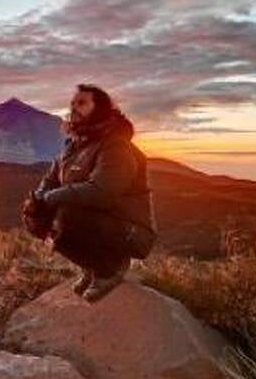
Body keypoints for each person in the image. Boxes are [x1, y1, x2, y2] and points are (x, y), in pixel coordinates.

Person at [21, 83, 157, 302]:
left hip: (130, 230)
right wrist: (37, 201)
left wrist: (50, 198)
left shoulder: (116, 145)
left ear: (100, 108)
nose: (74, 108)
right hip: (99, 221)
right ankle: (92, 265)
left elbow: (102, 192)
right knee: (36, 218)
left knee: (67, 214)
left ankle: (110, 268)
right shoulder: (73, 146)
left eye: (82, 103)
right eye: (73, 104)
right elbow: (50, 180)